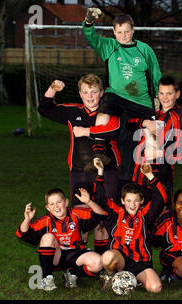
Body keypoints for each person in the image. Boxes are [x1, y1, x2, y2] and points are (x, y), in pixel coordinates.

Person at [38, 74, 120, 255]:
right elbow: (44, 108)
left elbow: (113, 130)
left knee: (104, 215)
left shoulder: (110, 111)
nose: (90, 97)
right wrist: (52, 89)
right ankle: (79, 260)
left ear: (102, 92)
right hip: (79, 171)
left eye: (94, 92)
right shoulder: (73, 111)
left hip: (107, 171)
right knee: (80, 216)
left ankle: (104, 261)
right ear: (80, 94)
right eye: (85, 93)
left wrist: (85, 131)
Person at [82, 10, 162, 194]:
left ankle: (153, 182)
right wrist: (89, 20)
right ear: (114, 32)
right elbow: (90, 36)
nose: (123, 36)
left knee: (144, 145)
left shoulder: (144, 49)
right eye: (119, 32)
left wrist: (158, 96)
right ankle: (99, 152)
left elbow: (156, 74)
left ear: (133, 30)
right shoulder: (109, 46)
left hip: (140, 103)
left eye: (126, 31)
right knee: (104, 109)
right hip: (116, 98)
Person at [90, 158, 167, 293]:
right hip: (120, 260)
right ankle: (110, 276)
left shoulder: (145, 215)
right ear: (122, 201)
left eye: (136, 201)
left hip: (140, 263)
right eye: (129, 200)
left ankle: (132, 280)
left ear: (142, 201)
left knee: (156, 288)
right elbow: (100, 197)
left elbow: (161, 197)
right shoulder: (115, 213)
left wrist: (149, 175)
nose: (132, 205)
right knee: (107, 257)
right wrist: (100, 172)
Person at [15, 188, 105, 291]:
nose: (56, 206)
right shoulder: (46, 221)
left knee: (98, 262)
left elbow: (100, 214)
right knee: (47, 237)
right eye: (52, 204)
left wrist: (89, 202)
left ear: (66, 202)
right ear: (48, 208)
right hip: (56, 256)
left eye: (59, 202)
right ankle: (47, 278)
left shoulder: (77, 214)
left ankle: (72, 275)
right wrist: (27, 220)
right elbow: (23, 234)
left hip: (76, 254)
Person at [130, 76, 182, 208]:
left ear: (177, 94)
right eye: (161, 93)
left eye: (169, 93)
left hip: (161, 173)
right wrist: (145, 122)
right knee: (139, 211)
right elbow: (129, 123)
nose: (165, 97)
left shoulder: (177, 116)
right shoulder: (153, 112)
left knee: (160, 214)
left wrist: (161, 153)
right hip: (140, 170)